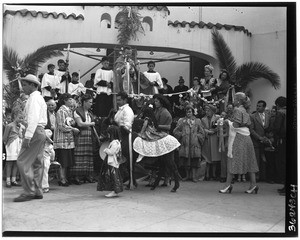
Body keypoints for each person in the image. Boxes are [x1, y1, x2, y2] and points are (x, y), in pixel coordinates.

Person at [13, 74, 47, 202]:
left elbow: (33, 118)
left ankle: (29, 191)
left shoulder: (33, 99)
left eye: (26, 85)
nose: (24, 87)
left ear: (33, 85)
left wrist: (27, 136)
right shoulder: (39, 98)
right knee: (37, 162)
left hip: (34, 131)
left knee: (22, 161)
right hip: (40, 131)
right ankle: (38, 190)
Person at [219, 92, 259, 194]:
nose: (233, 100)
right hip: (247, 138)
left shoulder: (237, 110)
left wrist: (227, 121)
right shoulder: (245, 110)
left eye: (235, 98)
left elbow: (235, 126)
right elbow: (248, 125)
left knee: (232, 159)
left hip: (239, 138)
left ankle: (228, 185)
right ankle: (253, 184)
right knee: (250, 161)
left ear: (238, 100)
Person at [53, 93, 80, 187]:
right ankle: (62, 178)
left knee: (67, 160)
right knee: (63, 160)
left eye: (72, 99)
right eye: (69, 100)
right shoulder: (61, 111)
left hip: (68, 139)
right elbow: (61, 126)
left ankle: (65, 178)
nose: (71, 101)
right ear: (65, 100)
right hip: (62, 139)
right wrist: (73, 129)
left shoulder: (69, 111)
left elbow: (70, 122)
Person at [173, 105, 205, 182]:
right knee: (185, 159)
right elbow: (175, 131)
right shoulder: (182, 121)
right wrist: (182, 135)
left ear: (193, 112)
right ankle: (187, 176)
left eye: (190, 112)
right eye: (187, 112)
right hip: (185, 144)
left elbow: (202, 132)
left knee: (194, 159)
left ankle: (194, 176)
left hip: (194, 144)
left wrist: (197, 136)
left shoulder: (197, 121)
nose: (188, 113)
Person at [69, 94, 96, 184]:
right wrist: (91, 123)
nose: (91, 104)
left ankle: (86, 175)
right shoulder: (77, 111)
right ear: (84, 102)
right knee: (79, 155)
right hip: (81, 135)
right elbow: (80, 124)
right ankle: (76, 176)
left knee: (87, 155)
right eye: (90, 102)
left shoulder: (90, 112)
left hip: (88, 135)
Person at [97, 125, 123, 198]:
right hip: (113, 162)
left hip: (113, 162)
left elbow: (111, 152)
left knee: (114, 176)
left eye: (109, 134)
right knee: (113, 175)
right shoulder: (117, 142)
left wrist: (106, 150)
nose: (108, 135)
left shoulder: (115, 143)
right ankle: (115, 190)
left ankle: (115, 190)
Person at [3, 111, 25, 188]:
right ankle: (8, 180)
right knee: (9, 162)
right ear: (14, 117)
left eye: (22, 118)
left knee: (16, 162)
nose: (21, 119)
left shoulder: (22, 126)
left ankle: (14, 179)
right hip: (11, 144)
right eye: (19, 118)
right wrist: (7, 144)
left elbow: (23, 135)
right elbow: (5, 137)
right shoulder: (9, 126)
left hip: (19, 144)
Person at [250, 100, 270, 182]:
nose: (258, 107)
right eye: (257, 106)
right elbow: (251, 130)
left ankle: (265, 176)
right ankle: (256, 177)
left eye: (260, 106)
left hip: (266, 140)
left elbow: (269, 128)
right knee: (256, 159)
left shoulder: (268, 116)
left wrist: (267, 138)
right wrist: (259, 138)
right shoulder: (253, 116)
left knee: (266, 159)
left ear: (264, 107)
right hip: (256, 141)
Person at [201, 104, 221, 180]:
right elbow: (202, 128)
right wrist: (207, 131)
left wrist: (214, 131)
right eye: (205, 110)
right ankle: (207, 174)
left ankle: (214, 174)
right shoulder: (203, 119)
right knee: (207, 157)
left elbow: (219, 126)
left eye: (208, 110)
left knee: (214, 157)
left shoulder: (217, 117)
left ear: (212, 111)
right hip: (207, 139)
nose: (207, 112)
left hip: (214, 138)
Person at [272, 97, 286, 196]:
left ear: (278, 104)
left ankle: (285, 186)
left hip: (282, 139)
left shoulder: (280, 112)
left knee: (282, 162)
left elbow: (277, 127)